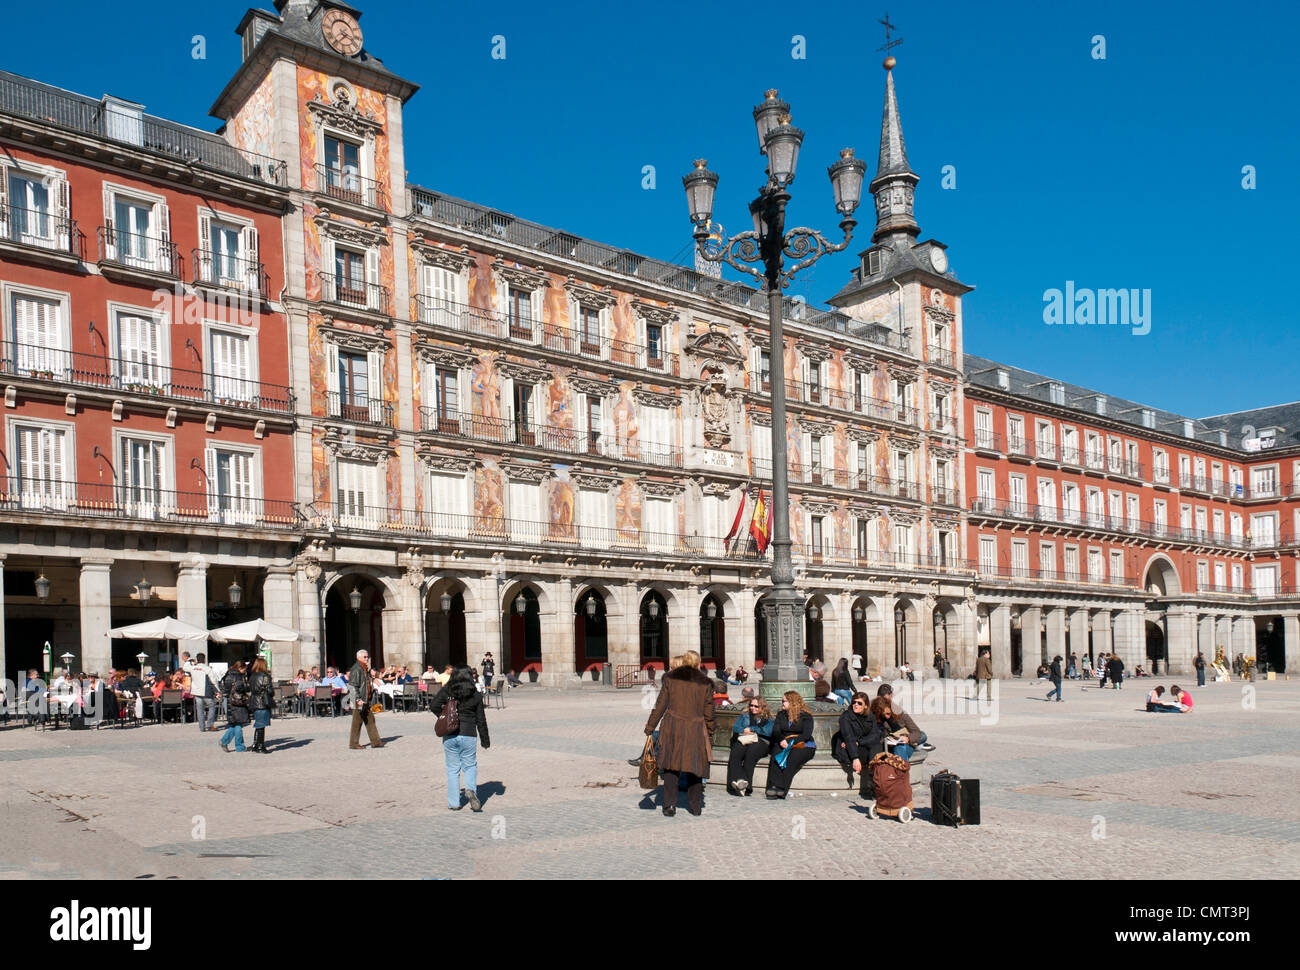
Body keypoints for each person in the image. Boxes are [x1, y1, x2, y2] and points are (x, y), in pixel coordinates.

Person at [644, 650, 715, 817]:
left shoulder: (670, 678)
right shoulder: (705, 682)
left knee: (671, 766)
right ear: (698, 664)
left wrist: (650, 726)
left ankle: (669, 805)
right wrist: (711, 730)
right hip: (695, 728)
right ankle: (695, 807)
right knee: (695, 767)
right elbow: (709, 711)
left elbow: (660, 704)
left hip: (672, 726)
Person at [430, 666, 491, 811]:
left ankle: (454, 803)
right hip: (469, 733)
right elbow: (481, 719)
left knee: (452, 768)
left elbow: (434, 705)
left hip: (450, 733)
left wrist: (445, 716)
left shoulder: (447, 690)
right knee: (470, 766)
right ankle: (470, 790)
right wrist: (485, 740)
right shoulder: (475, 694)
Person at [765, 691, 815, 798]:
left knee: (792, 759)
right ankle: (773, 786)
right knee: (776, 756)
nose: (782, 703)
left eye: (784, 701)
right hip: (784, 741)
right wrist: (781, 739)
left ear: (793, 702)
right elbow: (776, 731)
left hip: (802, 744)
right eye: (782, 701)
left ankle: (782, 788)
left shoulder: (806, 716)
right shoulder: (781, 714)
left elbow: (806, 734)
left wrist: (791, 743)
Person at [833, 691, 881, 796]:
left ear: (865, 706)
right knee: (874, 750)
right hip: (848, 750)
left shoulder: (870, 716)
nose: (855, 705)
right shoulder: (846, 717)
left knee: (876, 746)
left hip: (861, 745)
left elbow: (875, 735)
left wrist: (859, 742)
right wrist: (855, 758)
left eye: (859, 703)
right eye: (854, 702)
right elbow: (848, 738)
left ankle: (874, 783)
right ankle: (873, 785)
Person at [726, 695, 774, 796]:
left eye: (756, 706)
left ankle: (747, 787)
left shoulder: (769, 718)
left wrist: (752, 729)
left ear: (763, 707)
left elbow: (768, 731)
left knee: (751, 753)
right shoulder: (745, 715)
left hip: (762, 741)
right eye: (751, 705)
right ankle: (739, 782)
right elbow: (736, 728)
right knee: (735, 752)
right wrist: (743, 730)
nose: (753, 708)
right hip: (746, 739)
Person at [875, 683, 933, 750]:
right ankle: (916, 746)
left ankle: (914, 745)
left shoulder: (898, 711)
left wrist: (908, 738)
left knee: (922, 735)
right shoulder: (872, 710)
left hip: (899, 737)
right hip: (884, 740)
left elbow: (916, 731)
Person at [347, 650, 385, 750]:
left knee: (370, 720)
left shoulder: (363, 668)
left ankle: (376, 742)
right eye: (364, 657)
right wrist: (357, 699)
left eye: (367, 657)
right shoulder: (356, 669)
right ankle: (353, 743)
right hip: (359, 700)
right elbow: (352, 686)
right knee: (357, 722)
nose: (367, 658)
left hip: (365, 700)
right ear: (358, 657)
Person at [218, 660, 250, 752]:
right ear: (240, 668)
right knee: (239, 724)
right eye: (244, 669)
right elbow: (239, 688)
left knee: (235, 724)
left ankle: (224, 741)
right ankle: (239, 746)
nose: (245, 671)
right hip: (238, 702)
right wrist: (246, 687)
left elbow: (225, 686)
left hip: (229, 700)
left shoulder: (228, 674)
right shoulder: (238, 677)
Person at [247, 656, 273, 753]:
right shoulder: (265, 676)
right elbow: (270, 690)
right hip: (262, 701)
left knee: (258, 723)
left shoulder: (252, 676)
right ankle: (260, 746)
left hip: (254, 701)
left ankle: (255, 744)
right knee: (262, 725)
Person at [190, 653, 219, 732]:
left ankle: (202, 727)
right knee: (212, 706)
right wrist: (217, 690)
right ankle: (209, 725)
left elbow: (186, 667)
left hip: (196, 692)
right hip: (206, 691)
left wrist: (191, 662)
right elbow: (213, 680)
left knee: (199, 709)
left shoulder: (193, 668)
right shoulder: (207, 669)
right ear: (204, 659)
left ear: (197, 660)